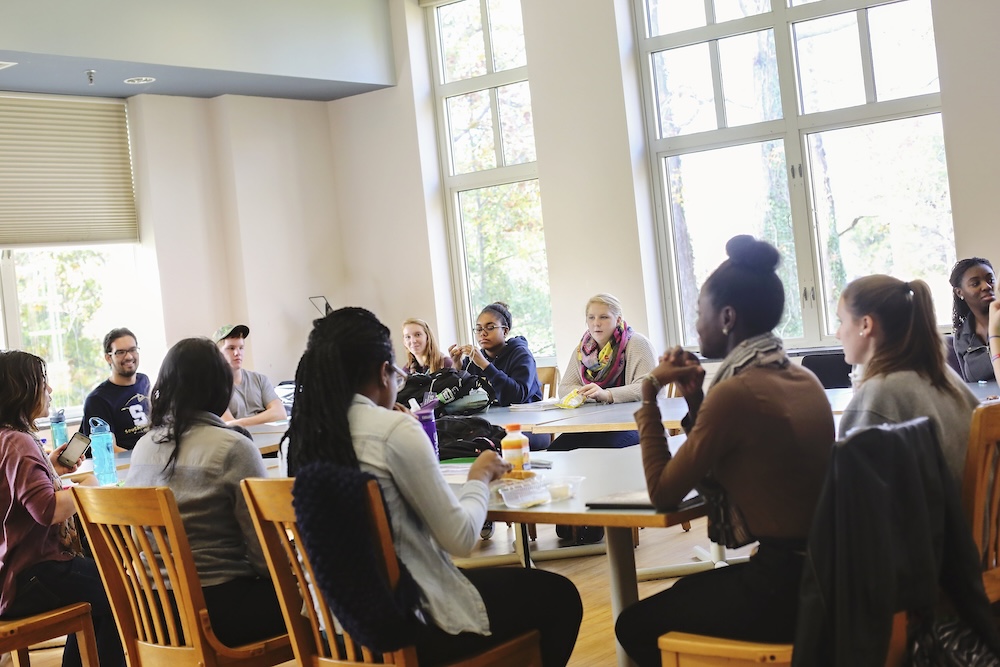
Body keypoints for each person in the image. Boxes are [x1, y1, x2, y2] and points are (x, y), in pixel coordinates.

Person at [284, 307, 581, 666]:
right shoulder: (393, 431)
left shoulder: (300, 438)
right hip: (406, 624)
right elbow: (460, 539)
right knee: (559, 596)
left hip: (331, 627)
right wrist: (479, 479)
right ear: (383, 374)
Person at [615, 236, 834, 666]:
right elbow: (730, 456)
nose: (696, 326)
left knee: (634, 625)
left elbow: (663, 494)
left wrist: (648, 393)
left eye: (701, 312)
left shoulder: (737, 391)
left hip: (783, 588)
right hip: (826, 573)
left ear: (728, 316)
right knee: (683, 593)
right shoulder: (800, 378)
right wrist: (697, 398)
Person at [124, 338, 287, 647]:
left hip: (152, 613)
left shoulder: (144, 447)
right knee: (319, 599)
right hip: (216, 613)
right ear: (221, 386)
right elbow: (264, 553)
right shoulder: (234, 448)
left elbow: (137, 539)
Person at [0, 350, 125, 667]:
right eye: (43, 383)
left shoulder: (7, 439)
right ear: (22, 390)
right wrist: (88, 489)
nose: (50, 391)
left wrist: (52, 468)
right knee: (122, 588)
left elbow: (22, 493)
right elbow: (48, 511)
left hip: (12, 575)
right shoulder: (19, 442)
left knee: (99, 592)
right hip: (33, 574)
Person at [837, 274, 979, 485]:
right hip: (974, 516)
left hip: (936, 518)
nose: (838, 334)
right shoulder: (944, 376)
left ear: (866, 325)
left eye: (841, 321)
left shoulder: (880, 394)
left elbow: (853, 495)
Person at [550, 293, 657, 450]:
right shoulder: (583, 350)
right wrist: (589, 393)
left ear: (618, 319)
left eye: (604, 317)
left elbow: (647, 387)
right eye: (591, 317)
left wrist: (607, 395)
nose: (596, 324)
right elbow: (565, 388)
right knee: (557, 450)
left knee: (600, 449)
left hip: (638, 423)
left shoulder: (638, 343)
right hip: (595, 425)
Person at [78, 327, 151, 451]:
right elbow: (108, 448)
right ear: (108, 358)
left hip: (154, 459)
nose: (128, 357)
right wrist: (141, 461)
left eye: (132, 350)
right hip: (127, 466)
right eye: (120, 352)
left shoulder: (144, 381)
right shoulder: (98, 399)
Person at [214, 324, 287, 427]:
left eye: (241, 348)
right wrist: (265, 417)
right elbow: (229, 426)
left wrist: (240, 422)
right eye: (231, 348)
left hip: (269, 439)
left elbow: (280, 413)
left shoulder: (260, 379)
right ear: (218, 353)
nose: (237, 353)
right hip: (239, 441)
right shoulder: (214, 387)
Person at [950, 257, 996, 381]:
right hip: (987, 400)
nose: (986, 286)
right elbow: (968, 385)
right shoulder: (962, 336)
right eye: (976, 283)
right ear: (959, 292)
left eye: (990, 280)